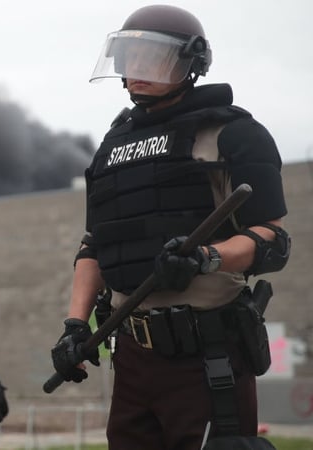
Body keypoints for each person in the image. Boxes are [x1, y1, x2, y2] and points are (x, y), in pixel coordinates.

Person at [50, 5, 290, 450]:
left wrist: (206, 257)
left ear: (190, 63)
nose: (137, 68)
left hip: (207, 352)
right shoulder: (112, 145)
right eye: (130, 57)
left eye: (153, 57)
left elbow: (272, 239)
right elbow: (94, 245)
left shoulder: (235, 134)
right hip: (132, 359)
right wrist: (75, 325)